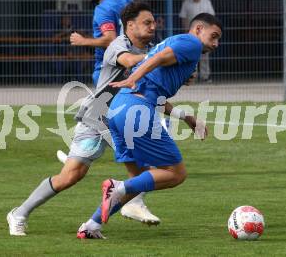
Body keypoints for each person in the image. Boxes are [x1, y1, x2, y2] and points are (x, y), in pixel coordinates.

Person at [7, 2, 180, 237]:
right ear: (130, 25)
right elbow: (131, 61)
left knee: (139, 176)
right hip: (97, 118)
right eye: (146, 22)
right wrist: (165, 59)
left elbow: (153, 93)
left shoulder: (151, 51)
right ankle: (19, 214)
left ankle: (97, 223)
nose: (153, 26)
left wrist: (182, 113)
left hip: (124, 121)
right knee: (71, 176)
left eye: (153, 22)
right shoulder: (117, 45)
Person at [78, 13, 222, 239]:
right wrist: (134, 76)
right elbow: (161, 58)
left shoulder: (179, 46)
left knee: (138, 180)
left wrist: (186, 117)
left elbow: (154, 86)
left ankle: (91, 226)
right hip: (136, 109)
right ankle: (117, 187)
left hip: (118, 108)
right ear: (198, 29)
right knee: (175, 173)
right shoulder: (191, 42)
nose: (216, 44)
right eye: (213, 36)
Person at [70, 0, 131, 86]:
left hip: (109, 71)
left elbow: (110, 40)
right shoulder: (127, 1)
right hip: (130, 67)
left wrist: (83, 41)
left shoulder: (103, 9)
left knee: (105, 102)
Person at [179, 0, 215, 83]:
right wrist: (186, 31)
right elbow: (184, 18)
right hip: (192, 33)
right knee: (191, 55)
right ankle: (191, 77)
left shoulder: (206, 2)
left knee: (204, 55)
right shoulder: (186, 2)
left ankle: (205, 76)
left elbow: (211, 18)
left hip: (204, 34)